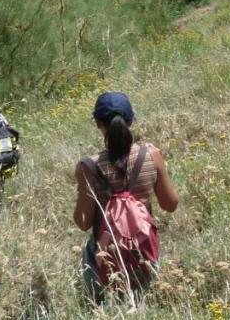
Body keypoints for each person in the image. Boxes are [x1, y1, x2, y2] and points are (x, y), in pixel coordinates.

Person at [73, 92, 179, 303]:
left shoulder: (88, 166)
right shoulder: (151, 156)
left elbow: (83, 222)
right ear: (131, 120)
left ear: (97, 123)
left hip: (105, 254)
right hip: (144, 248)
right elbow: (170, 204)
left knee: (103, 310)